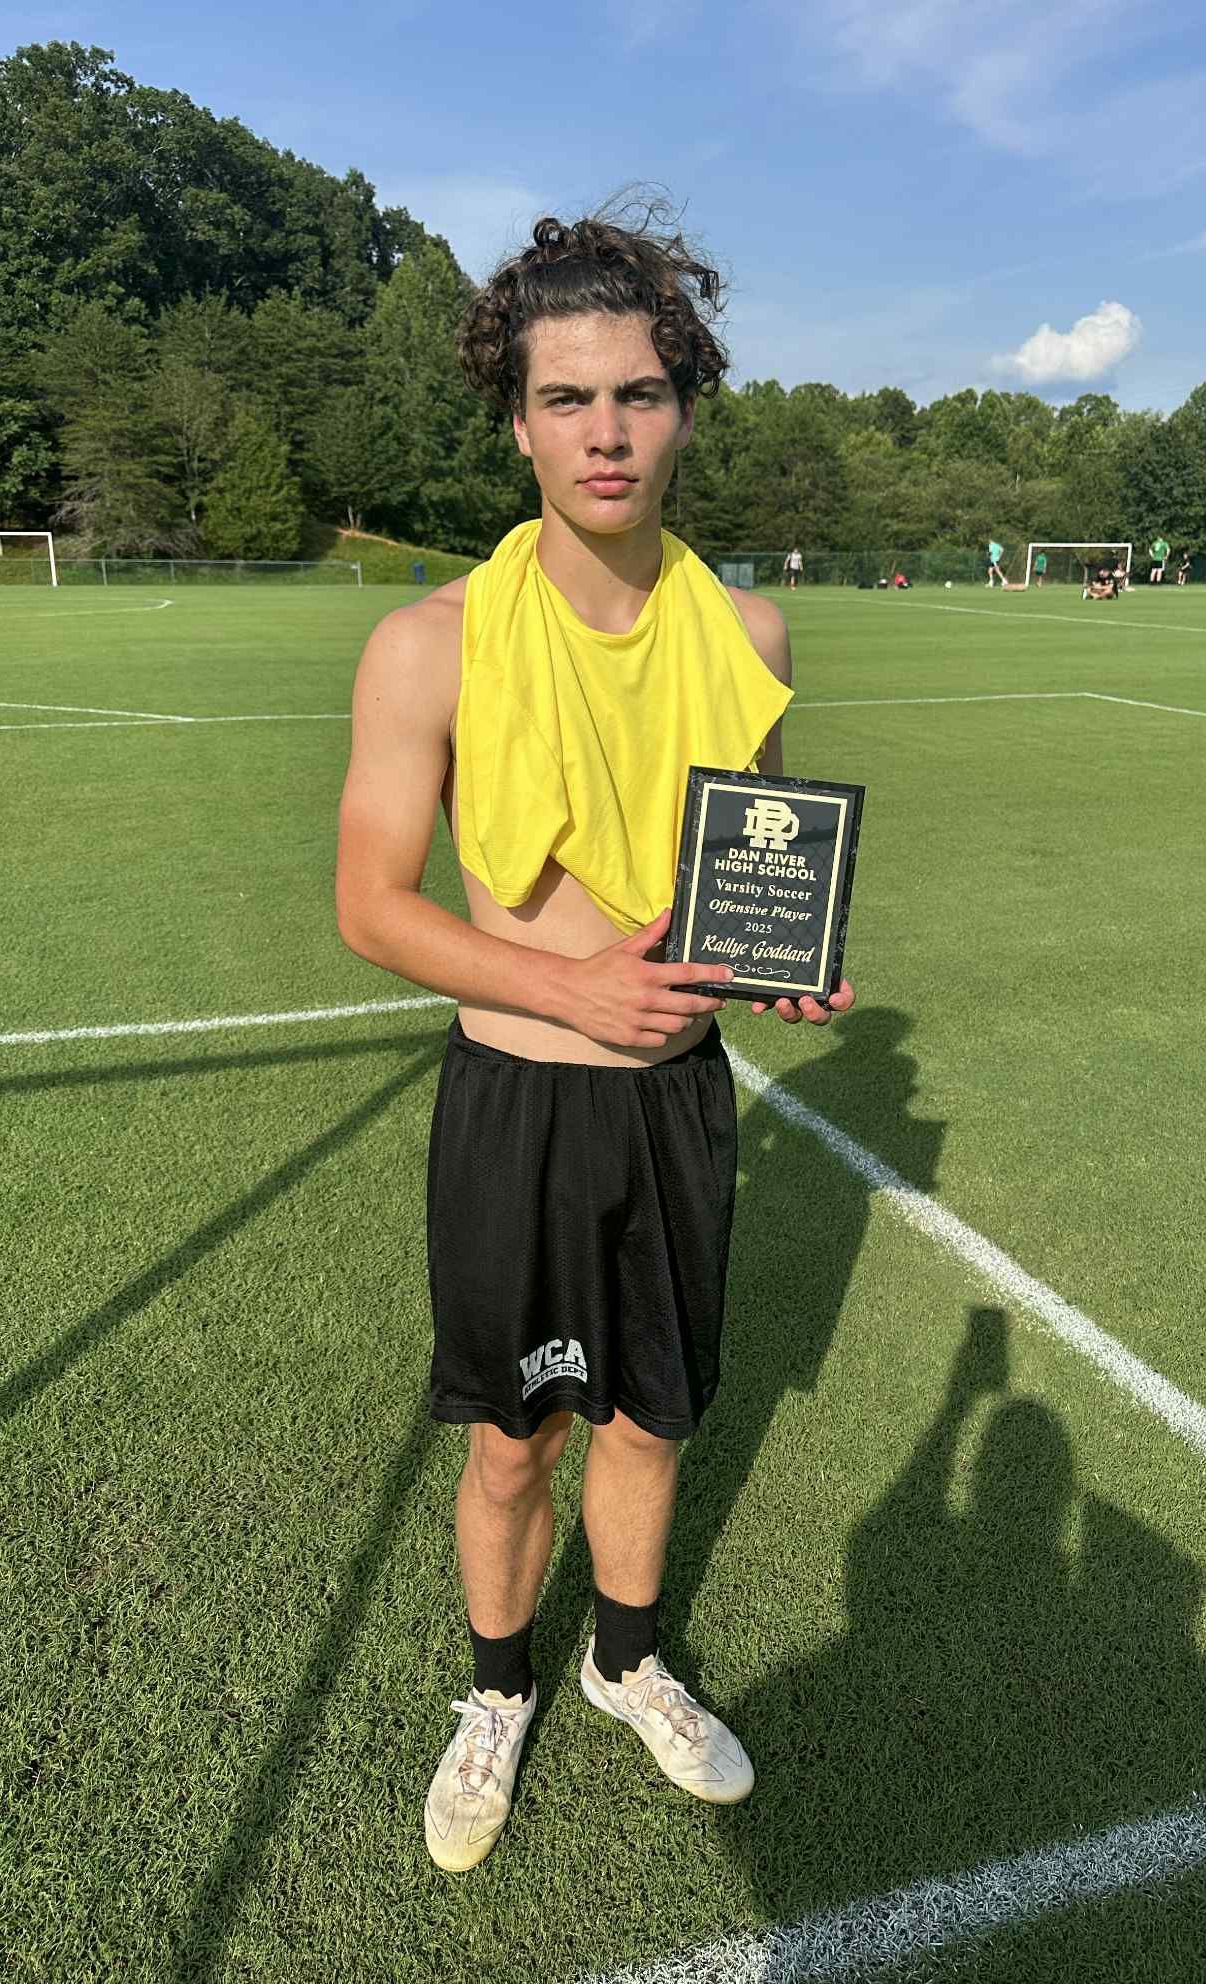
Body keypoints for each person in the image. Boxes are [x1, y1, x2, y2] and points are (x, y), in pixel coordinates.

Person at [334, 207, 853, 1877]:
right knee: (515, 1434)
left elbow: (736, 877)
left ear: (685, 406)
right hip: (519, 1104)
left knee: (649, 1420)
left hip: (677, 1103)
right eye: (569, 399)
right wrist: (565, 989)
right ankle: (499, 1689)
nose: (607, 431)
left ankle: (626, 1656)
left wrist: (785, 965)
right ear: (518, 420)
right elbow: (370, 903)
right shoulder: (431, 644)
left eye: (638, 393)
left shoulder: (750, 638)